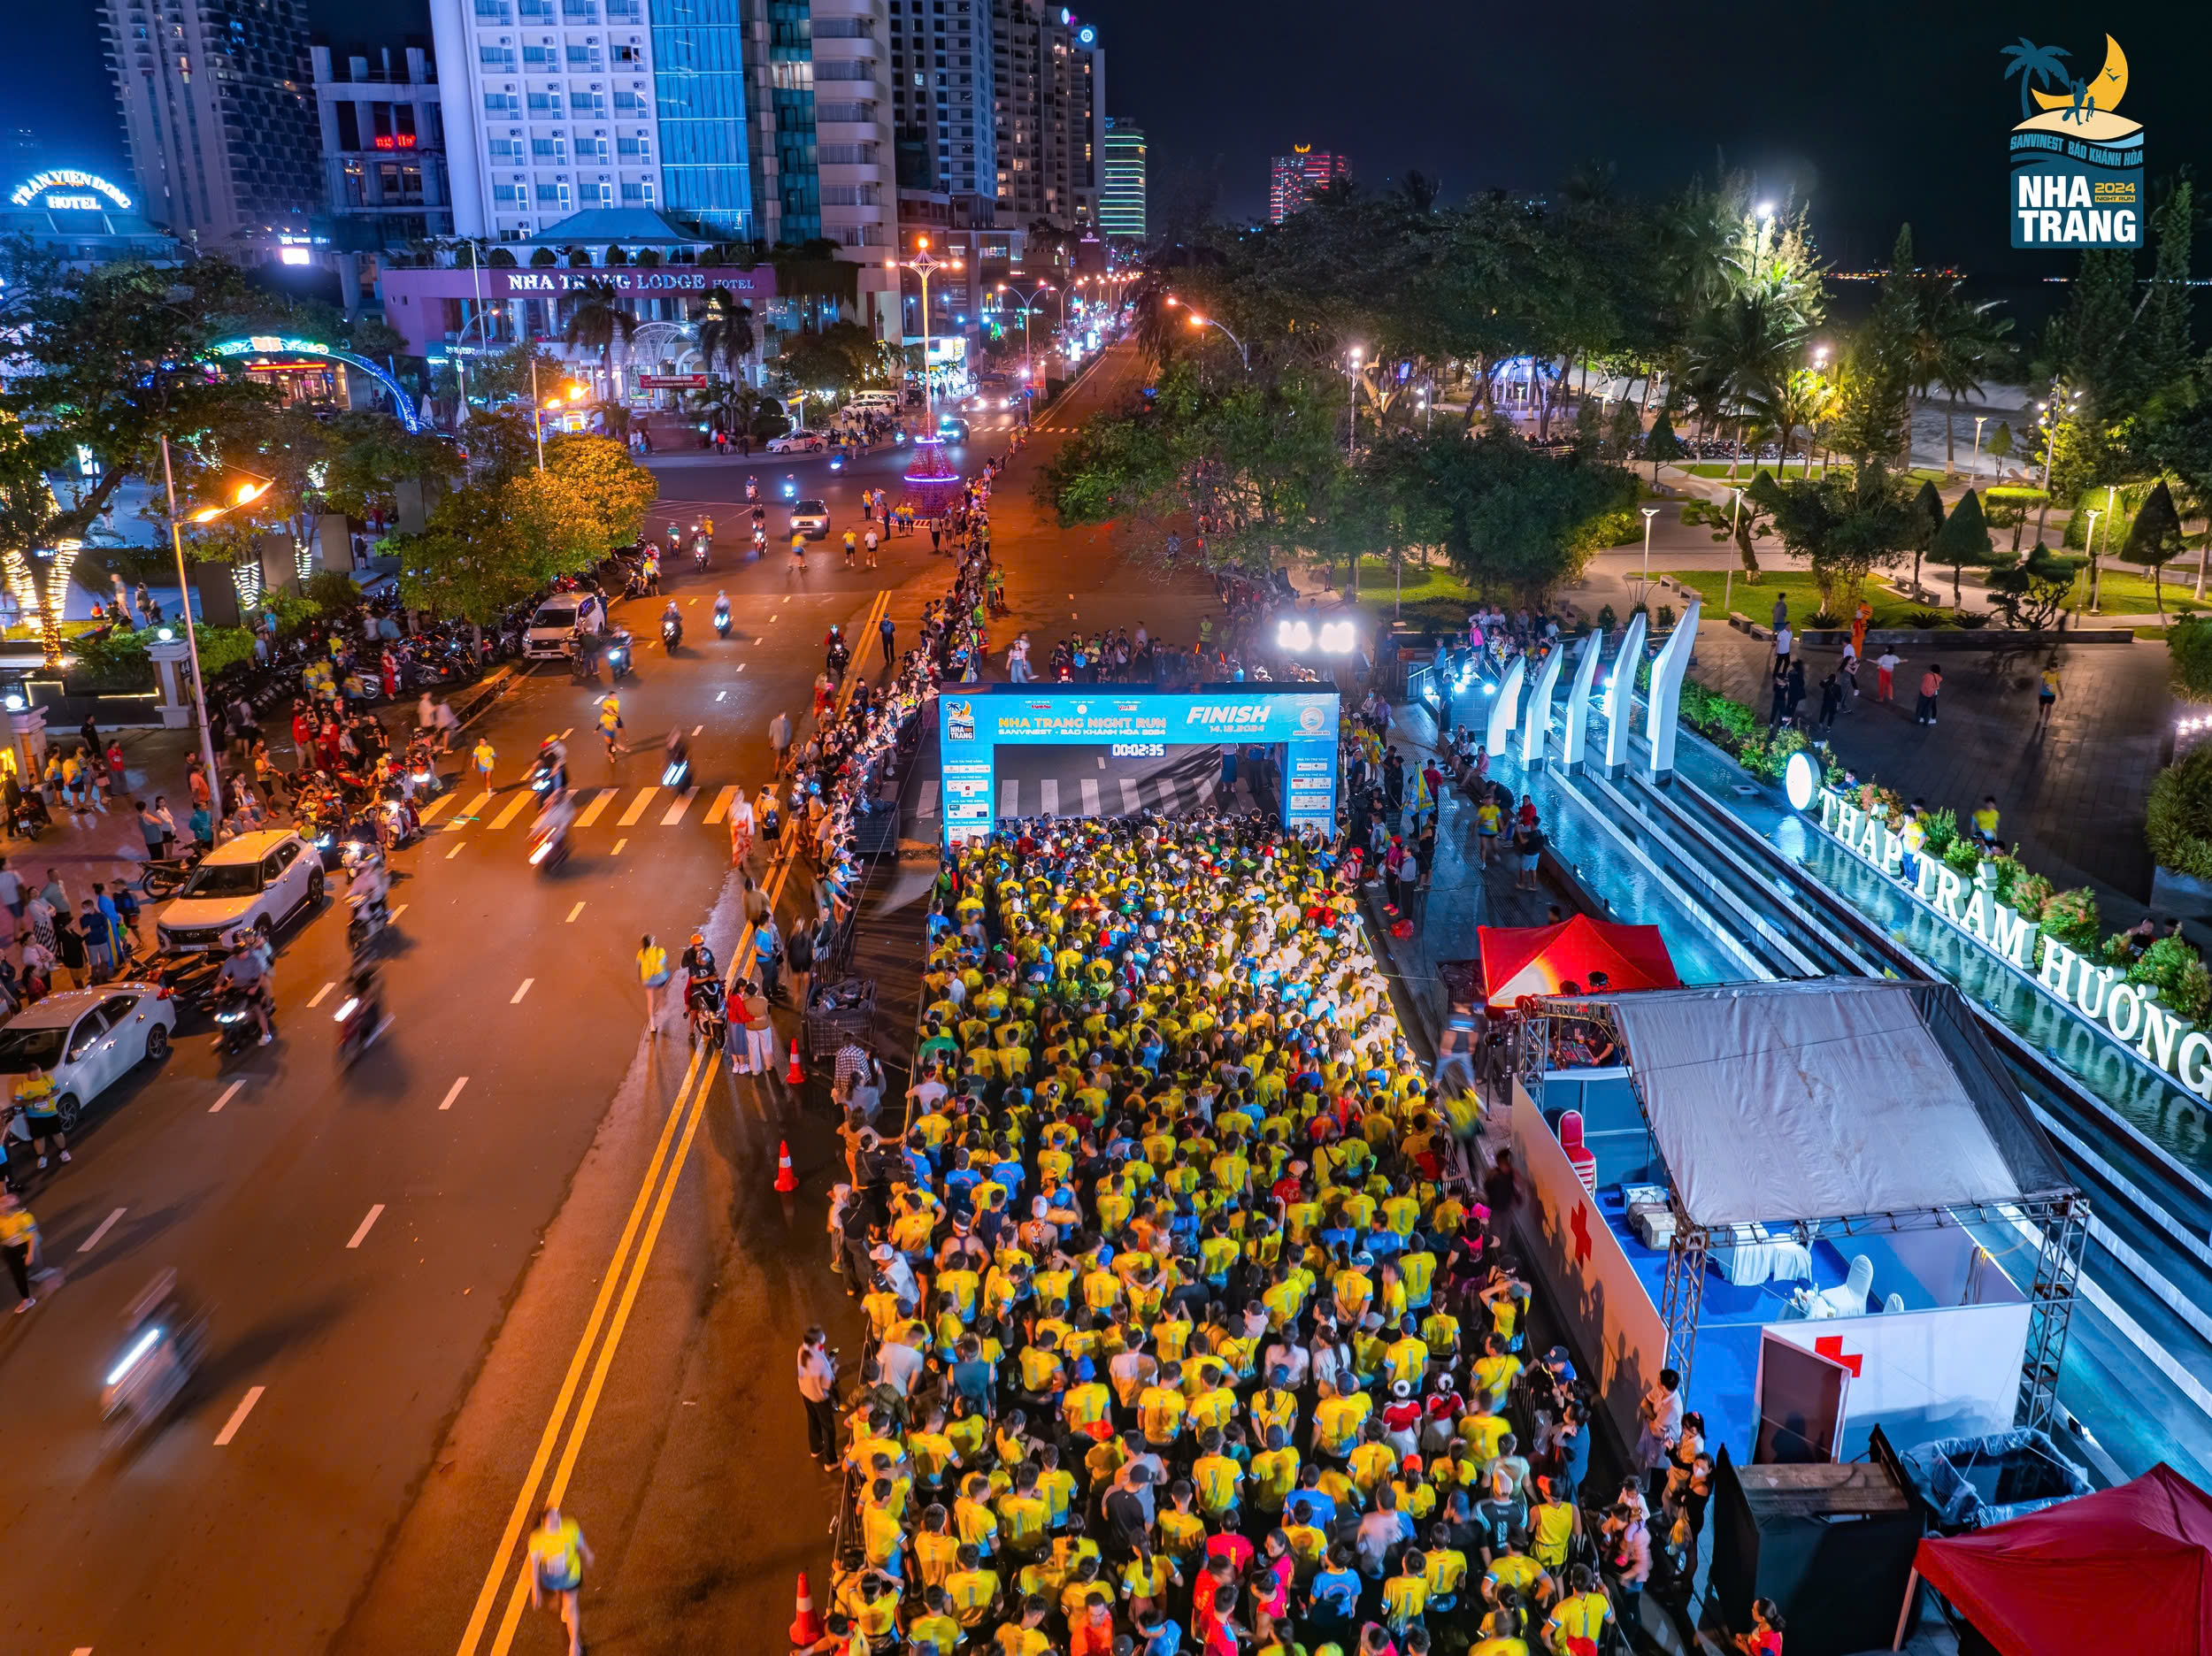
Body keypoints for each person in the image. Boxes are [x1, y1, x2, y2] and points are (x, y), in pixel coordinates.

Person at [526, 1505, 595, 1656]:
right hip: (551, 1579)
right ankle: (562, 1601)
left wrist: (588, 1554)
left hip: (571, 1576)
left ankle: (574, 1644)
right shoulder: (537, 1540)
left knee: (571, 1607)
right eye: (552, 1520)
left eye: (558, 1517)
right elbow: (534, 1566)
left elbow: (580, 1544)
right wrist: (535, 1590)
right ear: (544, 1524)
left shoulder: (570, 1528)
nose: (557, 1522)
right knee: (563, 1598)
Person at [797, 1324, 841, 1468]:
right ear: (816, 1343)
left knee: (812, 1419)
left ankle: (815, 1448)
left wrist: (828, 1361)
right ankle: (831, 1461)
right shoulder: (820, 1362)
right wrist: (833, 1369)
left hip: (805, 1393)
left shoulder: (802, 1351)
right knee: (828, 1428)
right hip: (819, 1398)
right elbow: (828, 1384)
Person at [13, 1062, 68, 1168]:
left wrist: (50, 1095)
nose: (39, 1077)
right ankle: (41, 1157)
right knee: (39, 1138)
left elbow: (57, 1090)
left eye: (40, 1074)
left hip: (51, 1113)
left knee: (57, 1133)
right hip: (34, 1117)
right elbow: (18, 1104)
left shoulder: (47, 1079)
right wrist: (33, 1100)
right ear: (28, 1075)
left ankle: (64, 1151)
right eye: (36, 1076)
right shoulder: (22, 1086)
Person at [0, 1189, 42, 1313]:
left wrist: (30, 1253)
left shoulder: (24, 1218)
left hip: (22, 1247)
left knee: (21, 1273)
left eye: (3, 1204)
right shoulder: (2, 1218)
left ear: (10, 1207)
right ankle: (26, 1297)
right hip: (8, 1250)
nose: (0, 1206)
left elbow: (33, 1236)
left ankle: (27, 1299)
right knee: (17, 1274)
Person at [638, 932, 672, 1035]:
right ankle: (661, 1011)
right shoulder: (660, 951)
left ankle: (652, 1025)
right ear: (652, 942)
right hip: (659, 978)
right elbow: (663, 962)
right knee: (662, 995)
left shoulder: (641, 953)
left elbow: (639, 966)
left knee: (650, 1000)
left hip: (647, 980)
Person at [2037, 657, 2061, 729]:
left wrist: (2061, 693)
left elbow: (2059, 683)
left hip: (2051, 695)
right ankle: (2040, 715)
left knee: (2049, 707)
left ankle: (2045, 722)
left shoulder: (2057, 675)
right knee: (2041, 707)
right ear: (2050, 667)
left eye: (2055, 668)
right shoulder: (2045, 673)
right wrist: (2040, 692)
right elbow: (2042, 683)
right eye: (2052, 667)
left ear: (2056, 668)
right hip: (2043, 694)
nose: (2053, 669)